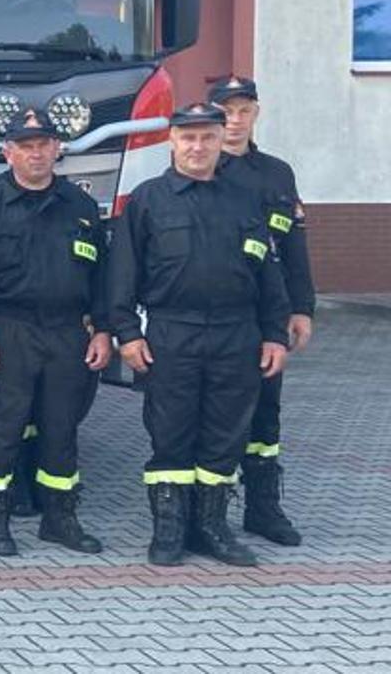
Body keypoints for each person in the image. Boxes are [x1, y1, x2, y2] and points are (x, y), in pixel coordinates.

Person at [107, 102, 290, 568]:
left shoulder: (246, 201)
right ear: (172, 141)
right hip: (173, 332)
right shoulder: (148, 200)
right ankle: (169, 529)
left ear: (219, 140)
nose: (198, 146)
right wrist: (127, 334)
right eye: (188, 137)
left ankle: (211, 527)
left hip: (237, 334)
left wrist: (274, 335)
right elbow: (122, 274)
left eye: (207, 137)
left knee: (224, 435)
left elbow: (270, 276)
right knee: (170, 434)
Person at [0, 108, 109, 557]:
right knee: (0, 428)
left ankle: (60, 519)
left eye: (44, 143)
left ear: (57, 149)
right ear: (9, 153)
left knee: (61, 428)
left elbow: (102, 274)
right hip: (9, 330)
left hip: (68, 332)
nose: (36, 153)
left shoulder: (79, 206)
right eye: (26, 145)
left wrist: (102, 329)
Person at [211, 76, 316, 547]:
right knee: (212, 415)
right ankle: (208, 513)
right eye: (227, 111)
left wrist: (302, 308)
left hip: (265, 314)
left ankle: (263, 507)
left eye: (244, 110)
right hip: (215, 311)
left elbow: (294, 247)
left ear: (256, 113)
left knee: (264, 414)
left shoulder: (277, 173)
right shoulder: (200, 168)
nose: (235, 121)